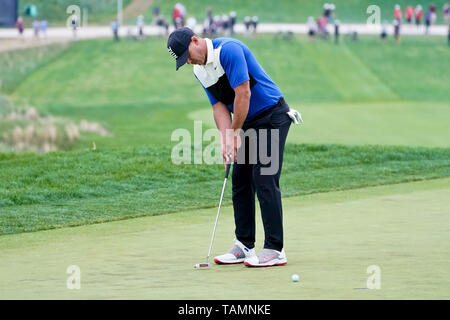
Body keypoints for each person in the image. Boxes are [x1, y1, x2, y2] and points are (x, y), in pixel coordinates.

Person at [166, 28, 303, 267]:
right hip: (247, 121)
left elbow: (243, 94)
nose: (188, 62)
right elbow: (219, 107)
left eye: (186, 55)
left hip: (272, 115)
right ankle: (244, 245)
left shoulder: (228, 50)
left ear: (195, 41)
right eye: (182, 61)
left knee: (264, 177)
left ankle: (274, 249)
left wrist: (235, 133)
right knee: (240, 179)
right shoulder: (200, 71)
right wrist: (225, 140)